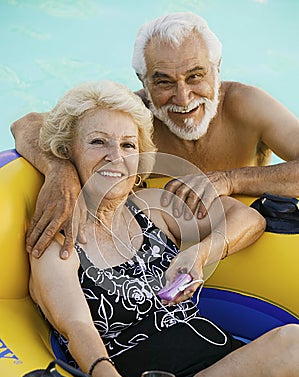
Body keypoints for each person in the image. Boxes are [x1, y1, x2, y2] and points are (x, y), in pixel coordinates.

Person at [29, 80, 299, 377]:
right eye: (98, 142)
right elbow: (76, 325)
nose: (116, 156)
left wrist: (199, 254)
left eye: (128, 145)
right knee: (292, 344)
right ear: (68, 152)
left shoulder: (150, 212)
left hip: (223, 363)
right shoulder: (60, 240)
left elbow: (249, 218)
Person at [11, 12, 299, 259]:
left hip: (244, 240)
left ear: (217, 70)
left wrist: (230, 179)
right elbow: (26, 124)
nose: (183, 98)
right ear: (143, 82)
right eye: (163, 82)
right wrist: (59, 169)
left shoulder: (246, 105)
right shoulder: (131, 116)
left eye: (195, 76)